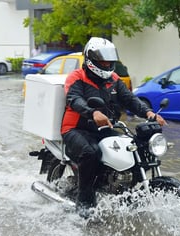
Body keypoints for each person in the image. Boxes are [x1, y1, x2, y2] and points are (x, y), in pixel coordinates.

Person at [61, 37, 166, 217]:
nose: (107, 63)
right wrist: (91, 112)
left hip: (105, 128)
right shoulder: (77, 77)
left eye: (110, 59)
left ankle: (122, 189)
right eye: (103, 60)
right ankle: (85, 201)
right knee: (91, 153)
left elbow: (131, 100)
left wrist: (149, 113)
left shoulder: (115, 79)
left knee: (134, 148)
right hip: (76, 129)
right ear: (90, 59)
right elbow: (74, 99)